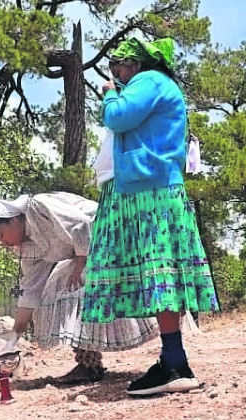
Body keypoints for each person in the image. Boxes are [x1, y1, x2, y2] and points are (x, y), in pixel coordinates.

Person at [82, 36, 219, 396]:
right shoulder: (156, 83)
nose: (117, 73)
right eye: (113, 69)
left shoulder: (151, 81)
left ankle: (175, 362)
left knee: (159, 273)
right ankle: (173, 358)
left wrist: (110, 92)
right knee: (156, 274)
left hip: (149, 192)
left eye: (121, 66)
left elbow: (118, 116)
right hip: (143, 187)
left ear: (138, 63)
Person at [0, 192, 159, 383]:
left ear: (14, 220)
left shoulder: (38, 207)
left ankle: (168, 345)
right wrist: (14, 336)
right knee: (57, 288)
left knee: (75, 285)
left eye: (1, 235)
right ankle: (89, 364)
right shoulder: (26, 249)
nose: (3, 242)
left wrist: (81, 261)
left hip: (108, 236)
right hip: (85, 253)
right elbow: (31, 289)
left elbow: (81, 224)